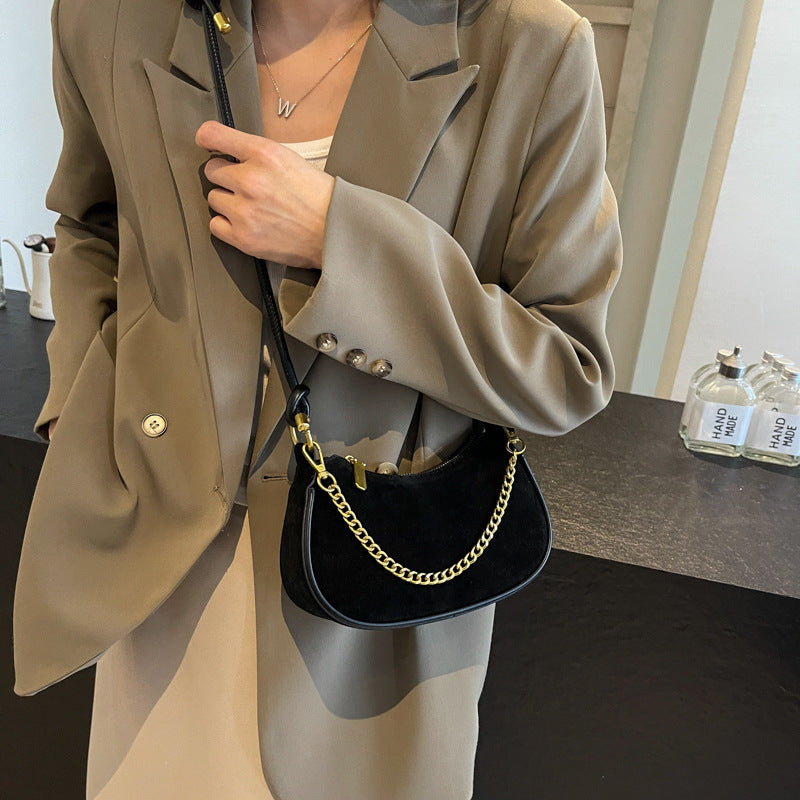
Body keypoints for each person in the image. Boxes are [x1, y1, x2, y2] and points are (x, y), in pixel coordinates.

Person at [14, 0, 621, 797]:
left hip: (372, 596)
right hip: (150, 571)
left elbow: (565, 363)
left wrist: (341, 240)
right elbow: (92, 225)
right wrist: (78, 412)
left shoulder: (530, 47)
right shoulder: (111, 18)